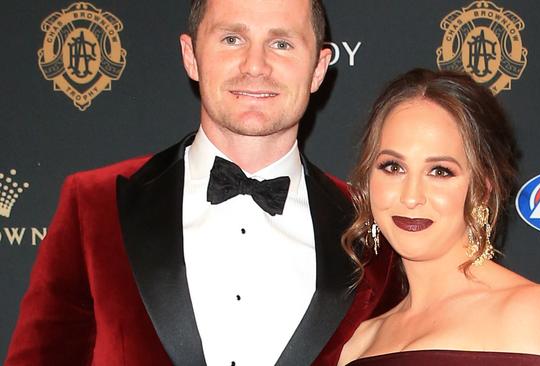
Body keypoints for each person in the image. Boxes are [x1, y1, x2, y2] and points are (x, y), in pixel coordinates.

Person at [5, 0, 399, 365]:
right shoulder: (94, 205)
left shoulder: (371, 230)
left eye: (281, 43)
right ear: (191, 56)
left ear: (317, 68)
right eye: (232, 39)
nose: (255, 65)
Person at [336, 69, 540, 366]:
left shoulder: (527, 312)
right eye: (393, 167)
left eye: (440, 171)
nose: (411, 196)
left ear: (482, 189)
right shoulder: (359, 342)